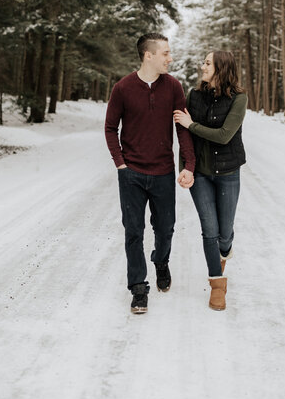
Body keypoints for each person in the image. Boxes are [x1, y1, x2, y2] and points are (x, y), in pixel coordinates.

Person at [105, 33, 195, 314]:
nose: (170, 58)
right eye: (166, 53)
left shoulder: (173, 87)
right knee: (133, 231)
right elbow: (110, 128)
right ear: (149, 55)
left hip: (163, 172)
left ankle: (161, 261)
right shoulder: (123, 88)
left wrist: (188, 164)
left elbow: (182, 127)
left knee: (165, 228)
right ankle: (138, 288)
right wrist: (120, 163)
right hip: (131, 173)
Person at [174, 51, 247, 311]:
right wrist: (185, 168)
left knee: (225, 234)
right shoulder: (194, 96)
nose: (202, 66)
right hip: (201, 174)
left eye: (207, 63)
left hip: (228, 173)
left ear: (221, 69)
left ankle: (224, 252)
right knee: (210, 229)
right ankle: (217, 284)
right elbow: (184, 136)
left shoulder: (239, 99)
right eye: (203, 62)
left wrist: (192, 124)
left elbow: (225, 135)